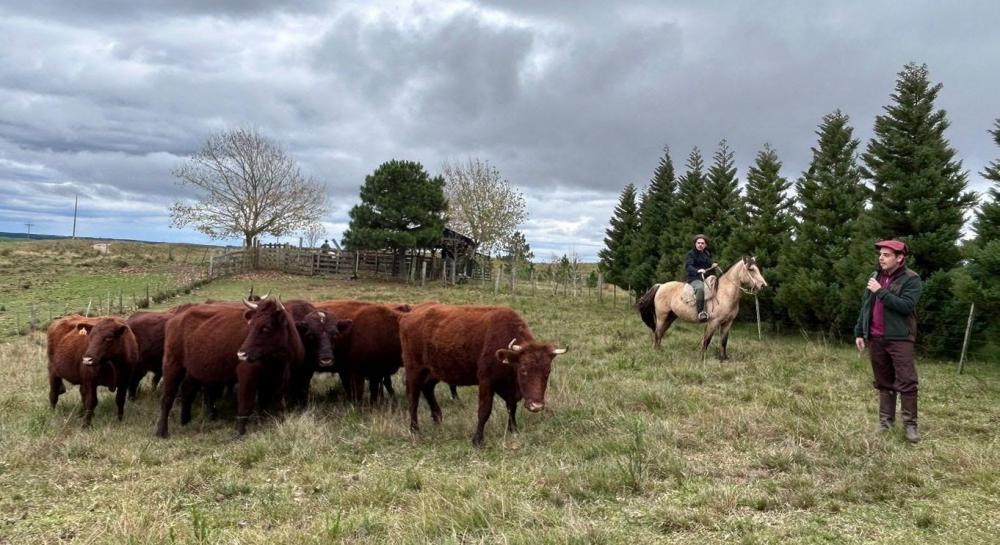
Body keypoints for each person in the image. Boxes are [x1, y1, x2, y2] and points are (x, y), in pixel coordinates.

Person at [854, 239, 923, 443]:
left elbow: (906, 306)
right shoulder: (875, 276)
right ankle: (886, 423)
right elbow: (866, 306)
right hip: (876, 337)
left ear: (899, 258)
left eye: (886, 255)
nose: (881, 258)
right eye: (880, 254)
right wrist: (860, 332)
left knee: (907, 381)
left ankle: (910, 426)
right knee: (884, 381)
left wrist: (880, 291)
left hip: (900, 338)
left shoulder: (911, 279)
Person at [684, 234, 716, 322]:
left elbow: (708, 266)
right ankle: (701, 312)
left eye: (702, 243)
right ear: (695, 244)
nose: (700, 245)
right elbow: (688, 267)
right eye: (698, 243)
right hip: (694, 278)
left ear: (705, 245)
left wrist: (713, 265)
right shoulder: (691, 254)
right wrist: (698, 270)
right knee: (700, 288)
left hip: (706, 278)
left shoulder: (707, 254)